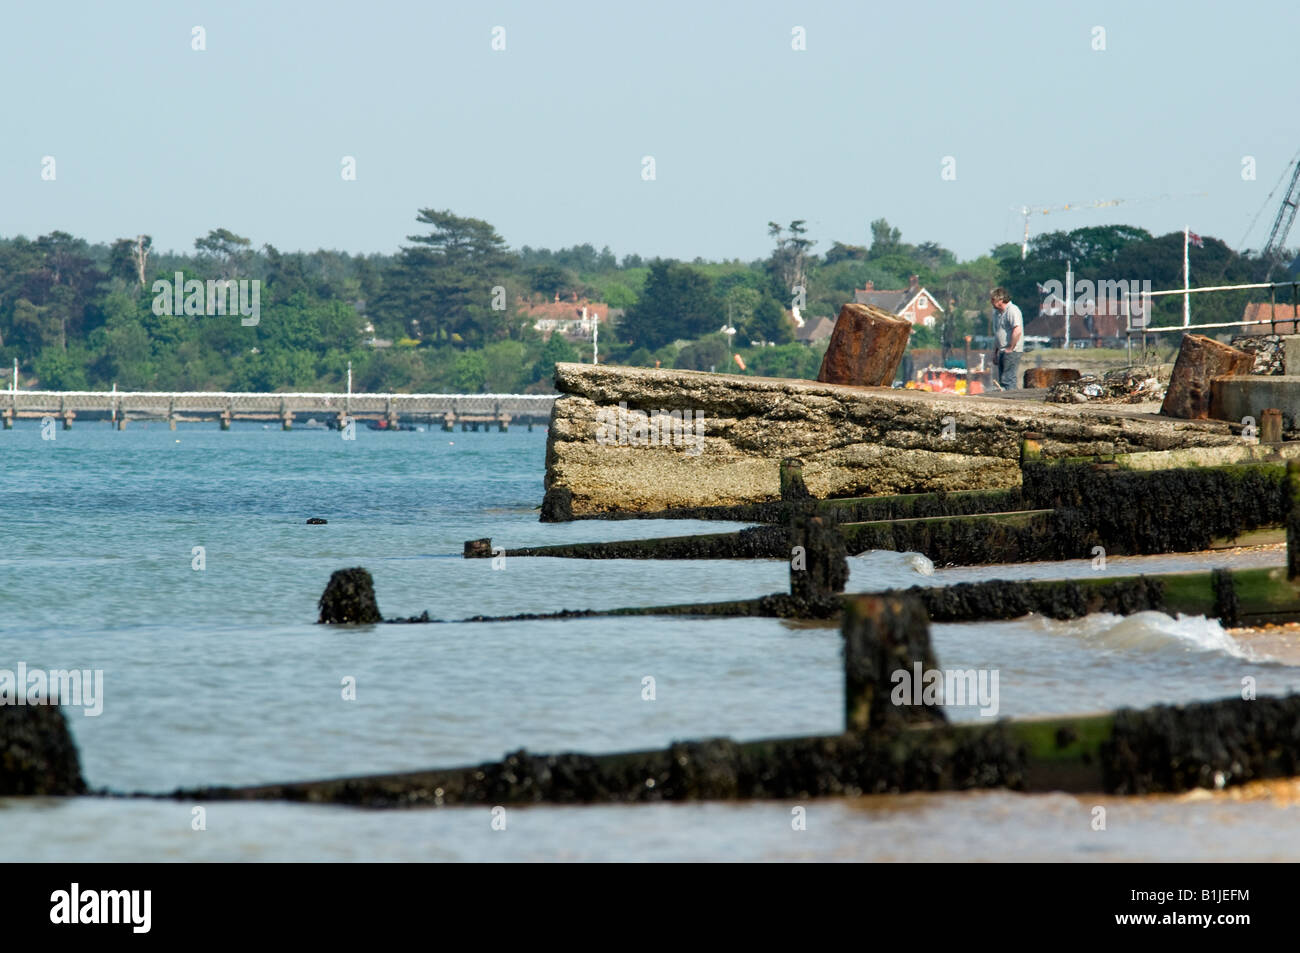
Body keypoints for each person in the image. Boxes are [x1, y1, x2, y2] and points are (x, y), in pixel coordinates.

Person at [990, 288, 1023, 390]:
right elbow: (997, 334)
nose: (991, 302)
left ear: (1000, 300)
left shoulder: (1012, 310)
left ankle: (1011, 400)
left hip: (1012, 350)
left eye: (992, 299)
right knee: (1002, 380)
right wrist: (995, 353)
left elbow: (1017, 330)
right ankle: (1004, 400)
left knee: (1008, 379)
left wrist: (1011, 347)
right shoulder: (997, 314)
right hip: (1002, 350)